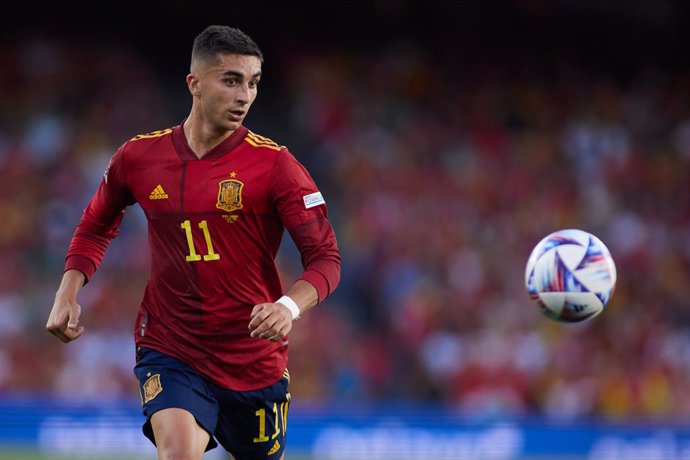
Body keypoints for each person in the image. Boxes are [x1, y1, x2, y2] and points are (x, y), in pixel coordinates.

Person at [46, 25, 341, 460]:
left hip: (252, 360)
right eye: (231, 80)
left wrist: (287, 307)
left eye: (254, 83)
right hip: (170, 346)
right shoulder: (138, 158)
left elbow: (326, 257)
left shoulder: (277, 166)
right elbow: (95, 224)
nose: (245, 95)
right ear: (194, 83)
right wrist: (67, 290)